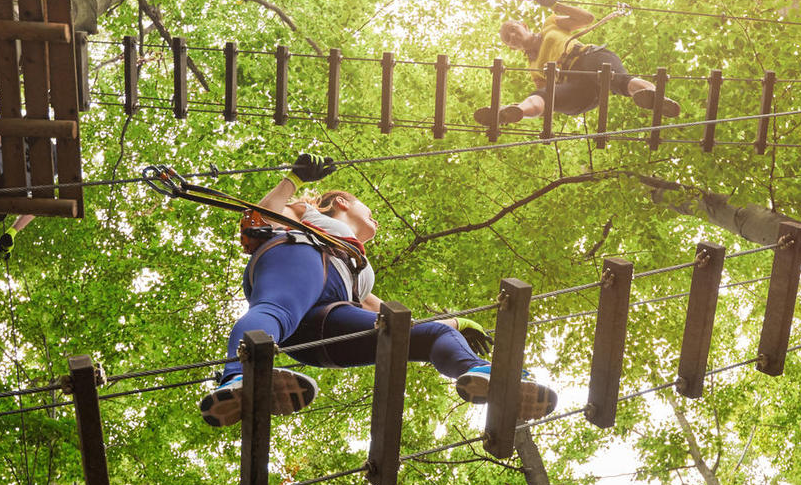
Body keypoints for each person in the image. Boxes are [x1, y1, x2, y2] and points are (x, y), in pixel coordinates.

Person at [198, 152, 557, 426]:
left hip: (329, 316)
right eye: (367, 209)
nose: (376, 219)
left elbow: (394, 322)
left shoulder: (361, 271)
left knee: (424, 336)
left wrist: (457, 324)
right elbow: (258, 219)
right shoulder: (306, 212)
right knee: (277, 309)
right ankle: (238, 377)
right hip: (300, 256)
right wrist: (294, 179)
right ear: (341, 202)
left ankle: (484, 374)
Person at [479, 0, 680, 127]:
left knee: (617, 80)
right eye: (508, 38)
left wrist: (555, 4)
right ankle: (510, 113)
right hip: (578, 89)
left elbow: (587, 19)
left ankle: (657, 98)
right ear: (511, 47)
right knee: (544, 95)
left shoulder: (550, 25)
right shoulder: (532, 69)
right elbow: (550, 94)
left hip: (587, 58)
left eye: (513, 29)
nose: (513, 36)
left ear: (524, 25)